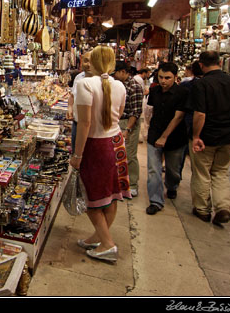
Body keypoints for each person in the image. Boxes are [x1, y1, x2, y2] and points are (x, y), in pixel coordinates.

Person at [70, 45, 130, 263]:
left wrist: (77, 155)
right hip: (116, 143)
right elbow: (120, 113)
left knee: (91, 197)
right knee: (111, 194)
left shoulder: (86, 83)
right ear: (112, 64)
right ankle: (99, 236)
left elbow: (84, 123)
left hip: (96, 146)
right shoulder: (120, 86)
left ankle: (107, 244)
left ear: (92, 62)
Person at [188, 51, 230, 225]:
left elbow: (200, 113)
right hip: (229, 137)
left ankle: (202, 209)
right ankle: (223, 207)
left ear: (200, 65)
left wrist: (196, 136)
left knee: (202, 173)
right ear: (220, 62)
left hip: (207, 137)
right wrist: (228, 123)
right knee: (220, 172)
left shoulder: (202, 84)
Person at [145, 62, 189, 215]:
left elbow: (179, 117)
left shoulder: (182, 92)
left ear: (175, 77)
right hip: (154, 133)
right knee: (153, 169)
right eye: (161, 77)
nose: (163, 81)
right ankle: (156, 201)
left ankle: (172, 186)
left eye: (167, 78)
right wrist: (147, 129)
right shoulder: (155, 91)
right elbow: (150, 111)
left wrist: (164, 137)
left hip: (175, 137)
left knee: (173, 169)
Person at [114, 61, 144, 197]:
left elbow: (136, 112)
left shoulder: (134, 87)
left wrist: (128, 129)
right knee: (116, 154)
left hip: (128, 123)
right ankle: (118, 183)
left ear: (123, 72)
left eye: (116, 73)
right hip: (117, 121)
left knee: (130, 155)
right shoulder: (117, 84)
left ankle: (132, 184)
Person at [67, 50, 92, 150]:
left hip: (92, 127)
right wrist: (70, 107)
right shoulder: (79, 77)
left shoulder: (101, 81)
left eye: (92, 61)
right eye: (86, 61)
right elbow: (72, 95)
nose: (89, 64)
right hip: (76, 123)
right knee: (75, 151)